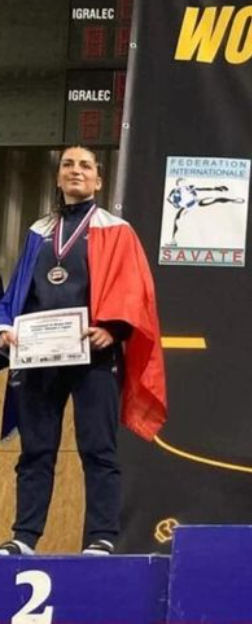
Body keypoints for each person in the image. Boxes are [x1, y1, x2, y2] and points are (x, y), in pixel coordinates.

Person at [0, 146, 167, 556]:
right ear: (58, 177)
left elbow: (134, 290)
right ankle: (24, 538)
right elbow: (18, 291)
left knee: (98, 449)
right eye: (68, 165)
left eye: (85, 166)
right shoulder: (39, 230)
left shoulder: (116, 229)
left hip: (94, 356)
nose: (76, 171)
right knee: (36, 450)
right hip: (39, 356)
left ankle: (101, 538)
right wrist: (6, 327)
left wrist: (113, 328)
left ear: (98, 179)